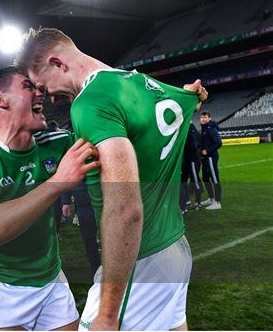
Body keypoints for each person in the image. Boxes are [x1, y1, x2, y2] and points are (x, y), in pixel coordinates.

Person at [14, 27, 208, 331]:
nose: (48, 97)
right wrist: (193, 96)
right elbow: (183, 103)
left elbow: (125, 209)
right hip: (174, 247)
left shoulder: (90, 103)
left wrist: (107, 314)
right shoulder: (142, 83)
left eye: (42, 84)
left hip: (140, 260)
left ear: (57, 62)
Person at [0, 66, 100, 330]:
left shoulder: (58, 143)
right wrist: (55, 183)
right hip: (0, 286)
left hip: (51, 277)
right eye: (29, 87)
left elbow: (115, 141)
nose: (40, 92)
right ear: (1, 100)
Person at [61, 181, 100, 283]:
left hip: (104, 202)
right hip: (83, 204)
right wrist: (66, 201)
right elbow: (69, 177)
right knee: (89, 242)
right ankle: (96, 275)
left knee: (109, 240)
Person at [199, 111, 222, 210]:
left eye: (205, 117)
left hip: (211, 157)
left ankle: (217, 202)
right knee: (205, 178)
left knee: (215, 179)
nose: (203, 119)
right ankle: (211, 198)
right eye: (202, 117)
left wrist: (207, 151)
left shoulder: (211, 128)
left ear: (209, 118)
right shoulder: (204, 128)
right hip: (205, 158)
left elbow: (218, 143)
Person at [180, 122, 202, 213]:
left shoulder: (190, 128)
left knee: (195, 180)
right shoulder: (188, 127)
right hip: (186, 160)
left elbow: (194, 145)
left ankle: (198, 202)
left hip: (192, 159)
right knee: (183, 180)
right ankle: (186, 200)